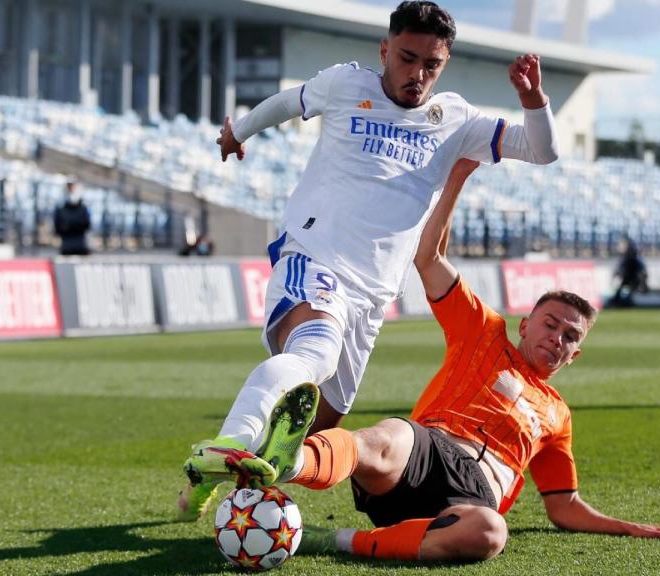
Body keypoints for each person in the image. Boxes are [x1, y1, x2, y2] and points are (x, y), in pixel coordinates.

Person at [178, 1, 560, 520]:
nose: (418, 74)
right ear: (385, 49)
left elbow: (541, 151)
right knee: (315, 354)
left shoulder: (455, 120)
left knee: (321, 427)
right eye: (407, 58)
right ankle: (232, 438)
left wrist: (534, 101)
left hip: (373, 295)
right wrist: (236, 133)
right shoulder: (345, 85)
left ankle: (211, 479)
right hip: (315, 257)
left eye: (432, 64)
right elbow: (288, 102)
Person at [256, 158, 660, 562]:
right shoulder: (483, 331)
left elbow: (564, 506)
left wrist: (627, 528)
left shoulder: (557, 415)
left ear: (574, 355)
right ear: (525, 325)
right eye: (550, 323)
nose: (556, 337)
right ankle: (288, 462)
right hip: (427, 452)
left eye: (569, 336)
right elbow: (428, 259)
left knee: (490, 534)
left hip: (473, 498)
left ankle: (331, 540)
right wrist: (458, 177)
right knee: (387, 436)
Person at [53, 181, 91, 256]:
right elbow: (58, 227)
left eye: (73, 186)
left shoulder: (83, 208)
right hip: (66, 247)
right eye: (69, 187)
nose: (71, 189)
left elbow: (87, 225)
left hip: (81, 247)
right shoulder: (60, 209)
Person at [610, 238, 647, 306]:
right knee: (622, 287)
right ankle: (618, 299)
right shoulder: (627, 259)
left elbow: (641, 269)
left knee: (627, 287)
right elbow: (620, 268)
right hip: (627, 277)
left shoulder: (633, 259)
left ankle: (622, 300)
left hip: (632, 278)